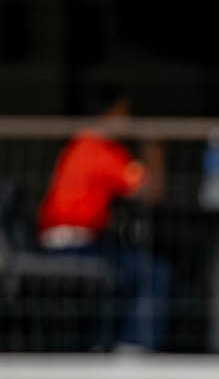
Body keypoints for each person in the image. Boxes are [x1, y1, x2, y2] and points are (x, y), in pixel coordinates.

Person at [38, 88, 171, 351]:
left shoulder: (79, 144)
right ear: (110, 114)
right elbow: (151, 192)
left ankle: (107, 342)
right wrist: (154, 148)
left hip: (63, 242)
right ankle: (134, 348)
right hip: (75, 247)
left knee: (131, 265)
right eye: (124, 113)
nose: (128, 121)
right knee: (154, 272)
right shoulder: (98, 148)